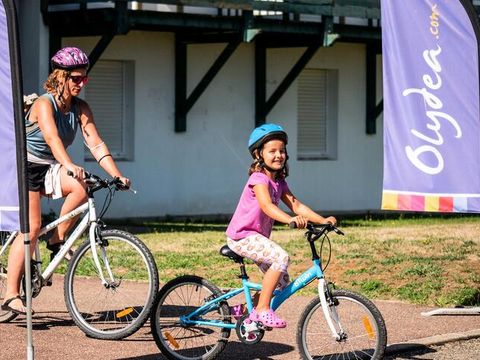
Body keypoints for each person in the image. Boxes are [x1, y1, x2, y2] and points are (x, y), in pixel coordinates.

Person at [1, 46, 130, 315]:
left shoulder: (80, 108)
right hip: (24, 165)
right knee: (31, 227)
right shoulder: (43, 104)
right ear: (60, 76)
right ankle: (11, 293)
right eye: (75, 78)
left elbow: (96, 144)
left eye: (85, 78)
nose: (81, 84)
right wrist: (68, 164)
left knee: (82, 187)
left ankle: (56, 238)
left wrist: (116, 175)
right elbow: (51, 138)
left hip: (48, 165)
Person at [226, 123, 336, 328]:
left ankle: (244, 311)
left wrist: (322, 220)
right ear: (259, 155)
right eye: (272, 151)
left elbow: (296, 204)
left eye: (282, 150)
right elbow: (267, 206)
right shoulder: (258, 179)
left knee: (282, 282)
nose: (279, 155)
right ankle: (262, 310)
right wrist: (290, 220)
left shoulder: (279, 181)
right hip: (242, 236)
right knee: (281, 257)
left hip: (256, 237)